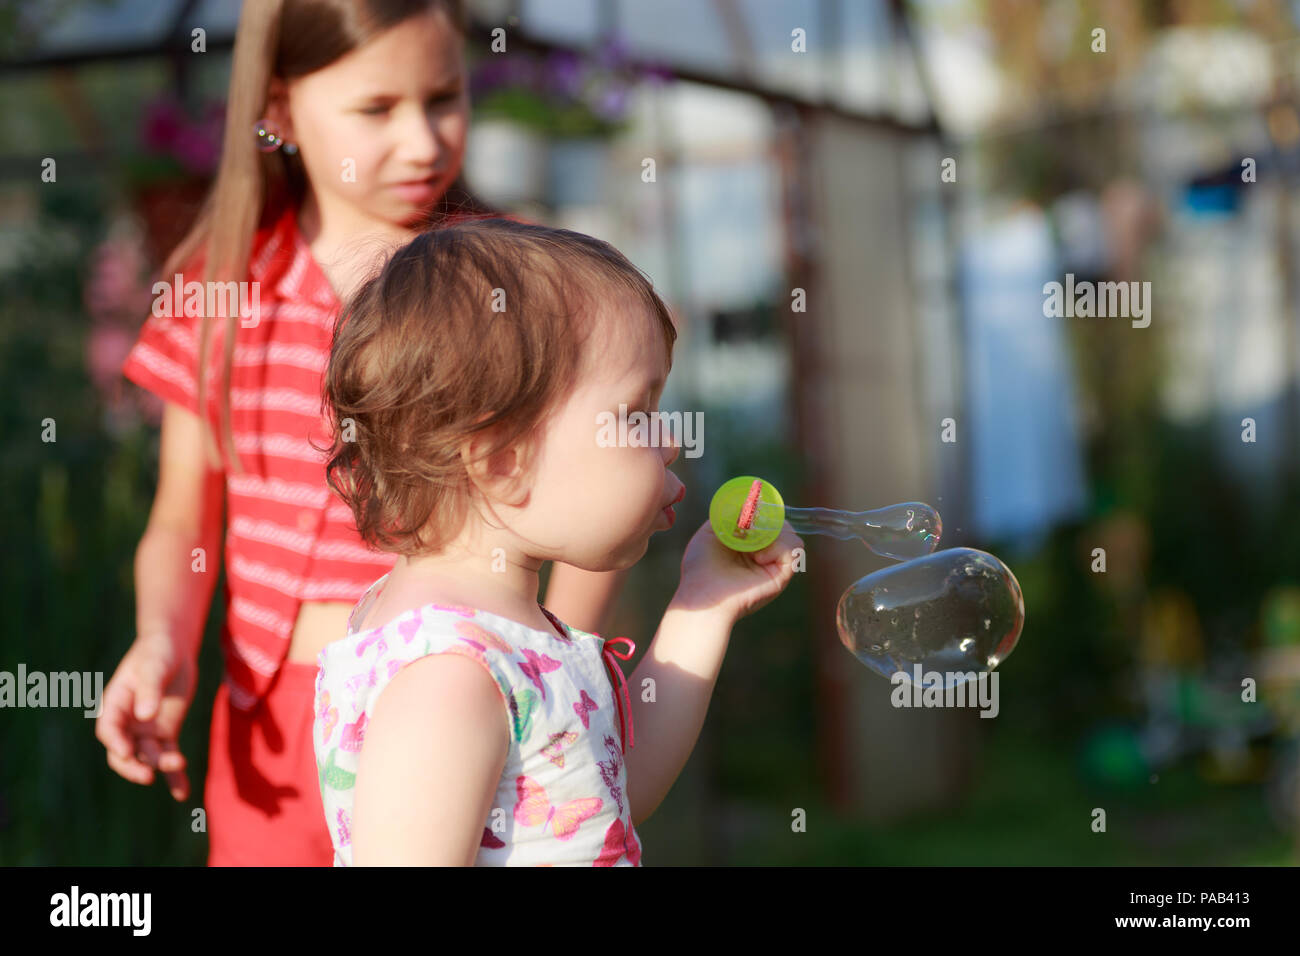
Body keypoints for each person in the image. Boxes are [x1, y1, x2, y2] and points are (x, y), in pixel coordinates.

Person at [95, 0, 623, 866]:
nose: (421, 140)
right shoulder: (216, 287)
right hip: (263, 727)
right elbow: (183, 518)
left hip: (461, 708)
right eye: (377, 110)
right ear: (277, 112)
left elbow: (590, 500)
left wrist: (551, 674)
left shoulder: (521, 281)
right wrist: (163, 643)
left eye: (444, 98)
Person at [314, 218, 804, 865]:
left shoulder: (501, 636)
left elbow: (610, 789)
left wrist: (703, 604)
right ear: (501, 461)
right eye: (637, 415)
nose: (672, 440)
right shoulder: (450, 679)